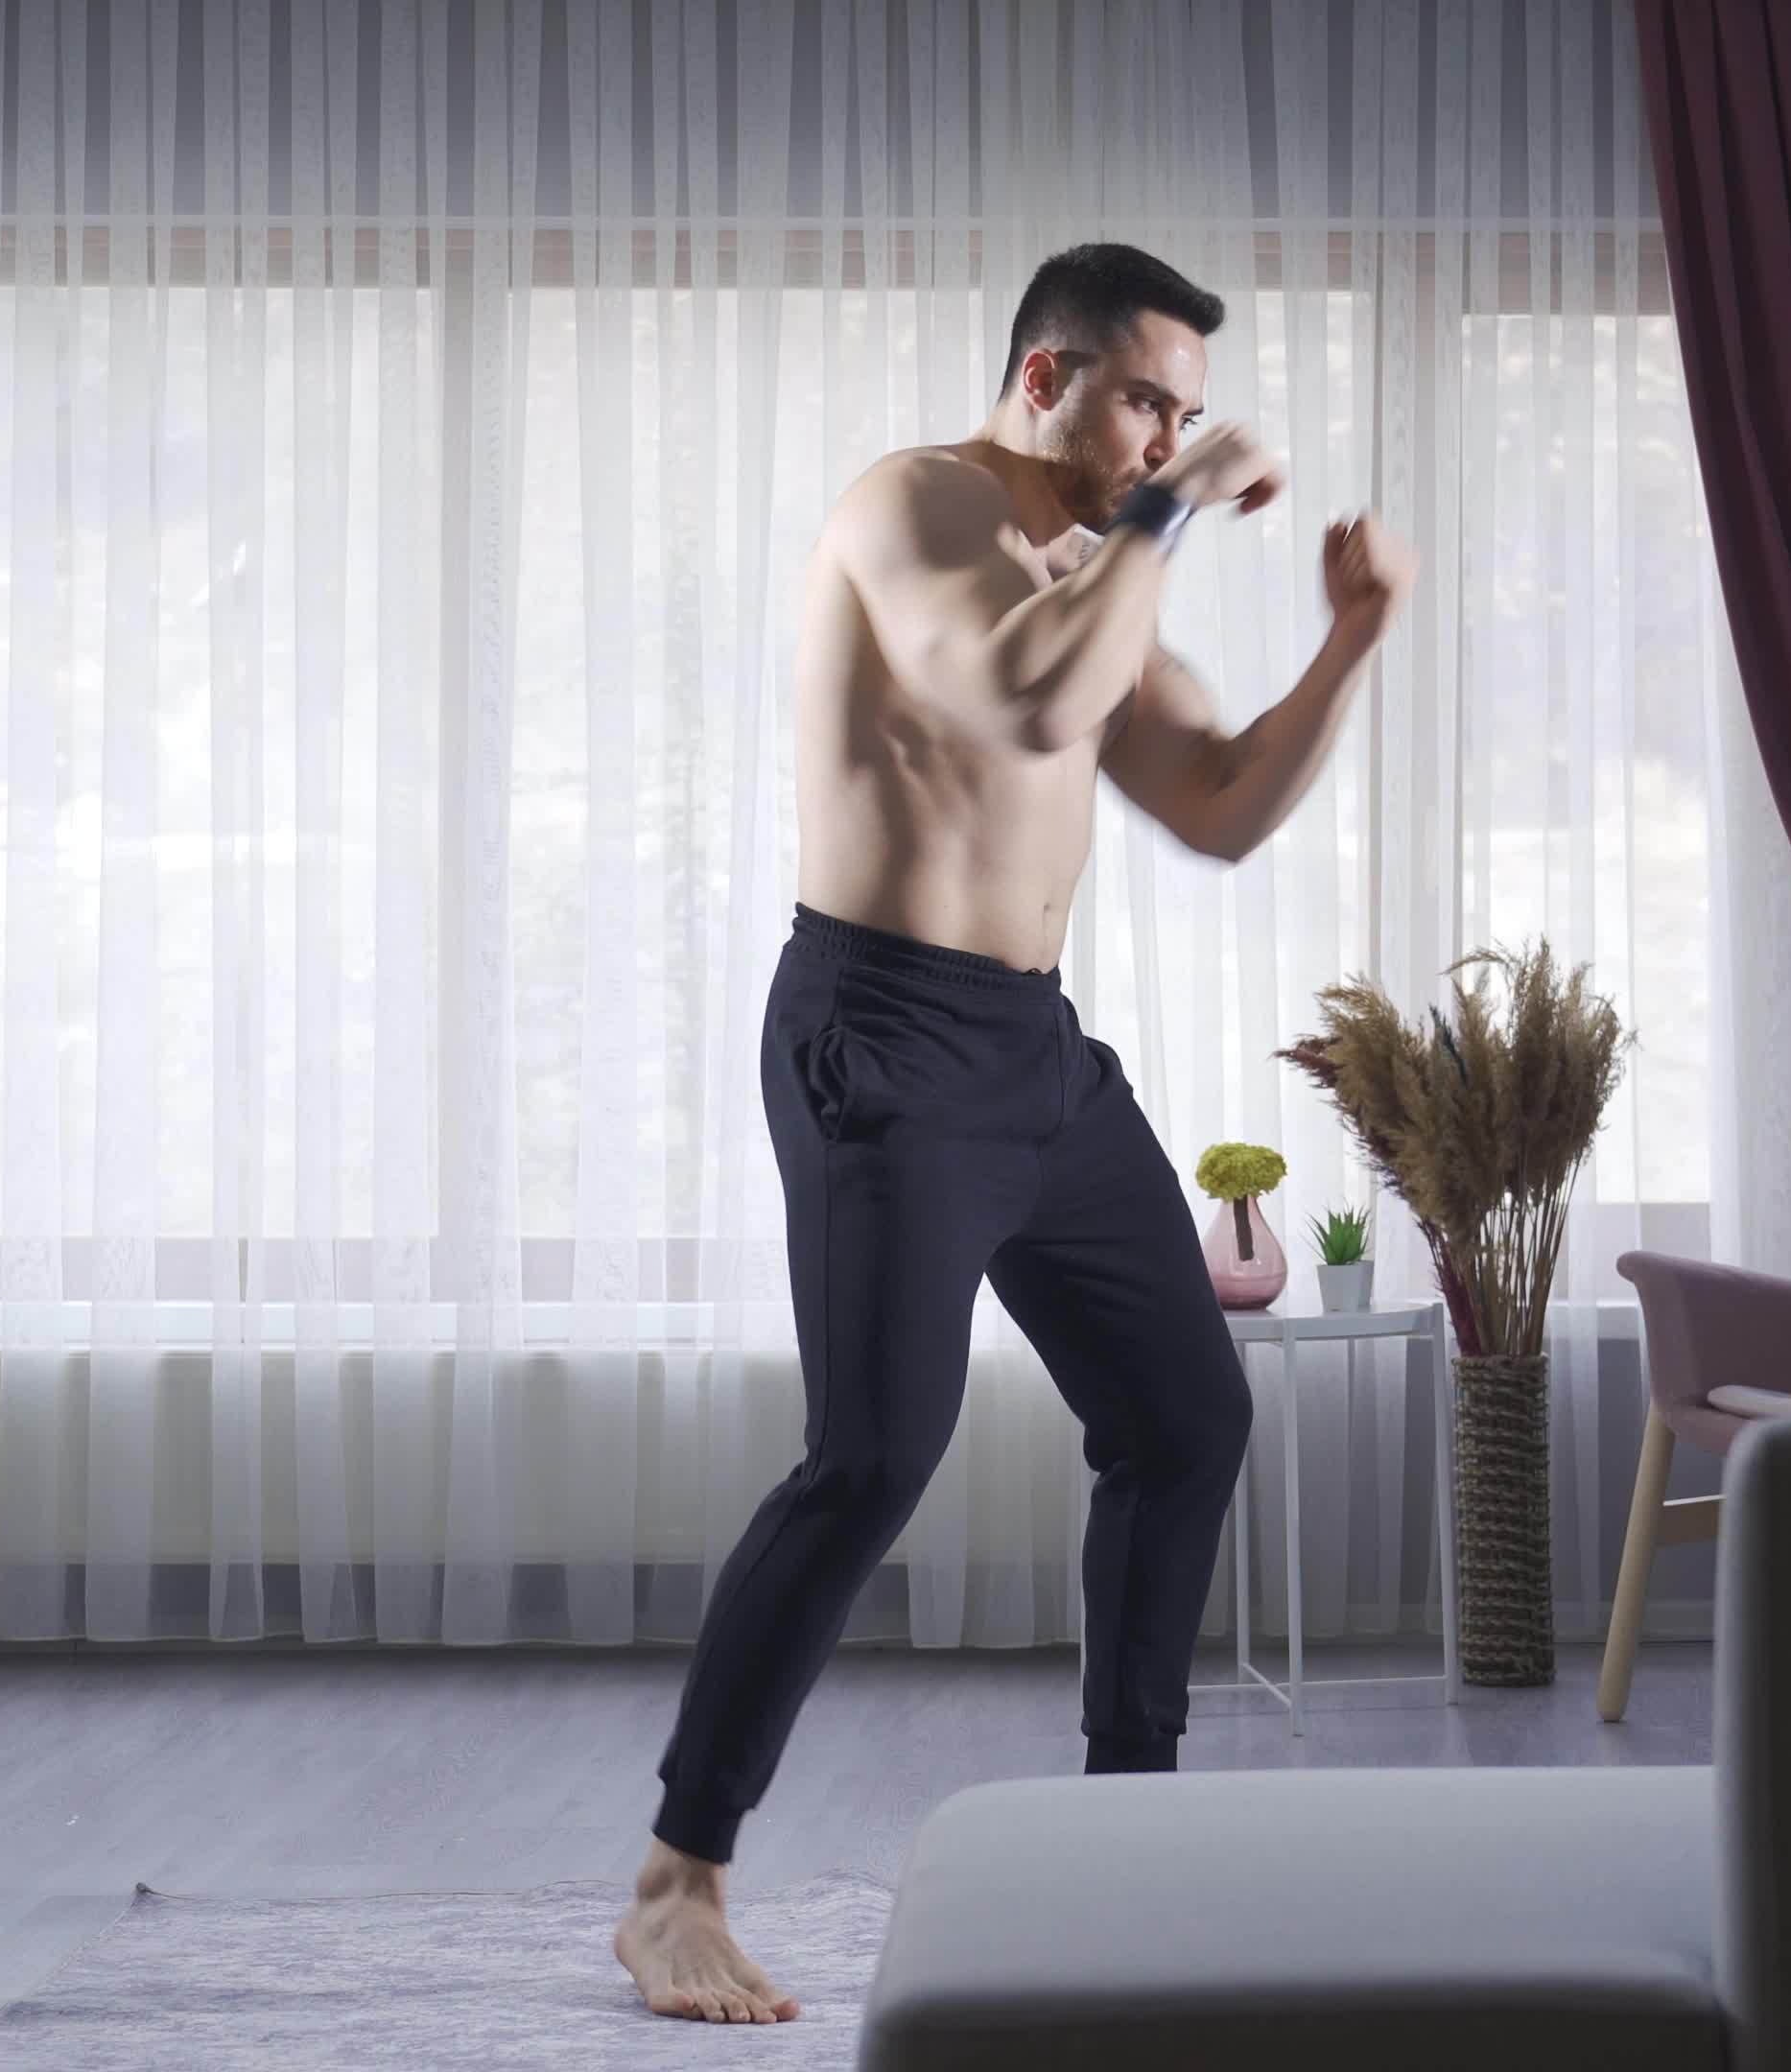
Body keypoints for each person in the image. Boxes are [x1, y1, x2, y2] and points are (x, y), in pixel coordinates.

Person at [613, 244, 1412, 2025]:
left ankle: (1126, 1842)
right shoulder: (914, 508)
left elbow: (1214, 807)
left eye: (1192, 411)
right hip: (879, 1036)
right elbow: (1027, 697)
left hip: (1032, 1051)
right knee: (873, 1459)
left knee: (1187, 1414)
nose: (1170, 434)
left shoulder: (1102, 566)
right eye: (1147, 397)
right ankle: (678, 1879)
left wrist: (1349, 638)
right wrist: (1177, 513)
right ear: (1046, 378)